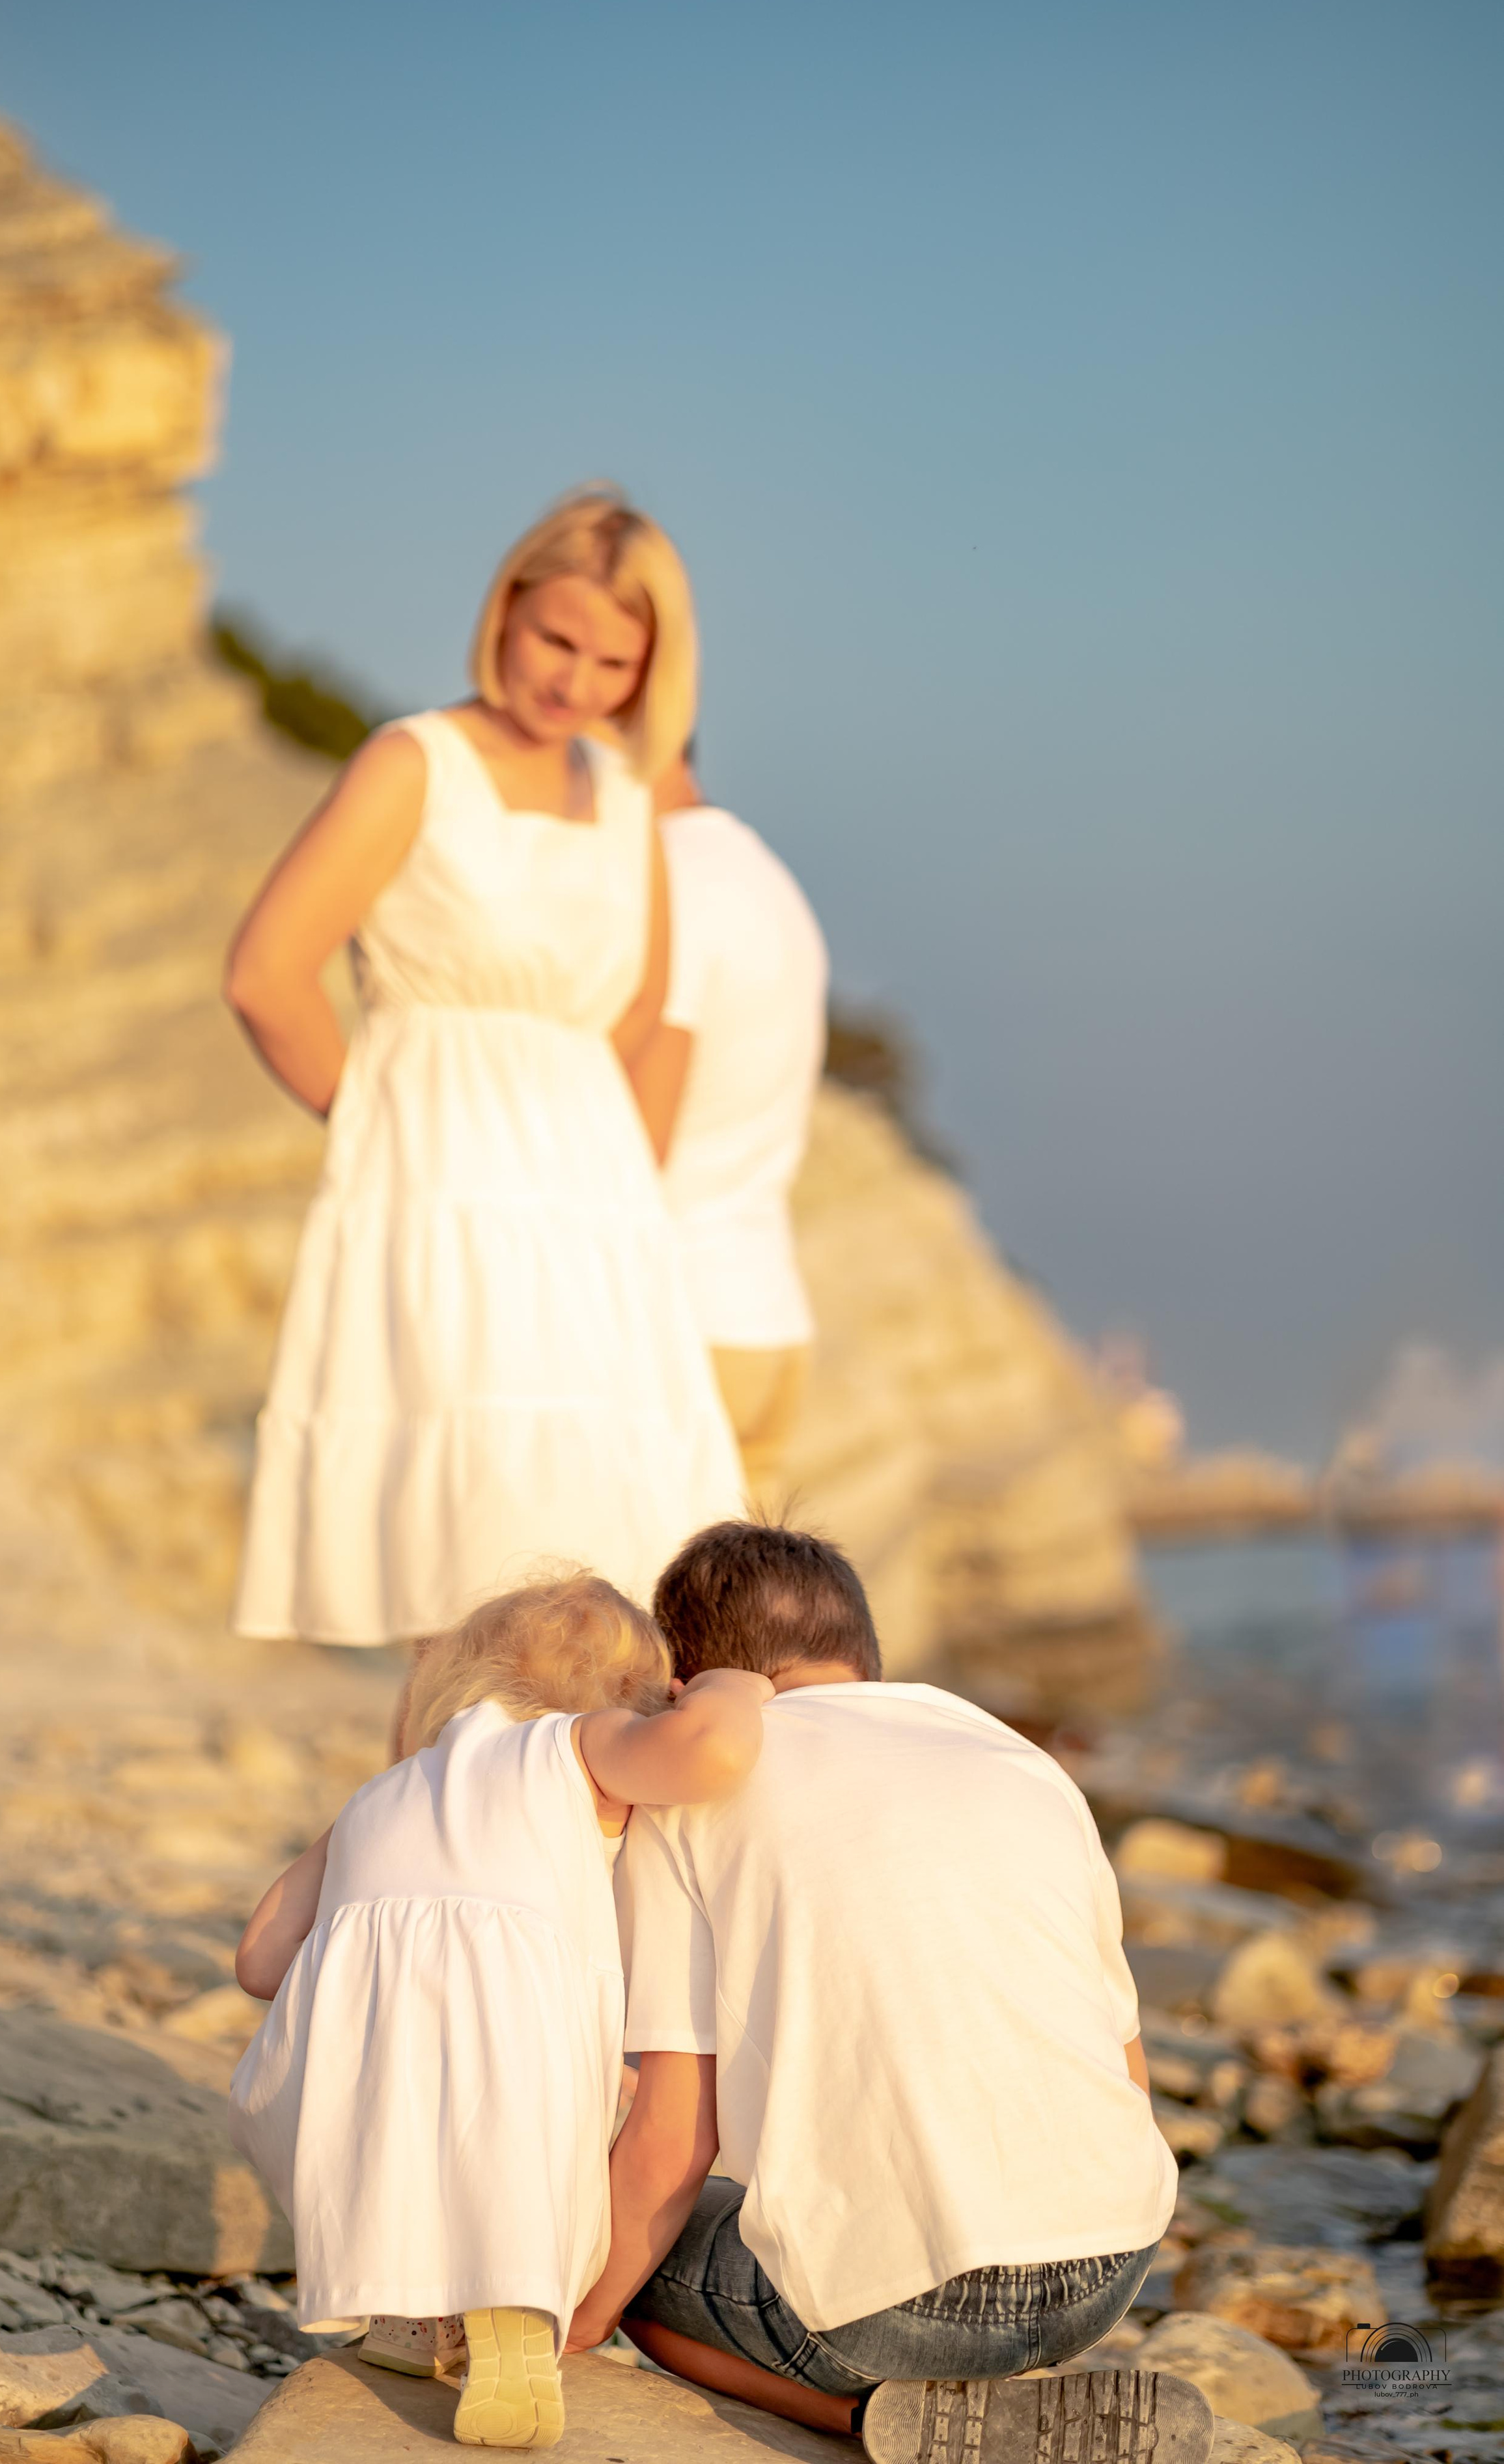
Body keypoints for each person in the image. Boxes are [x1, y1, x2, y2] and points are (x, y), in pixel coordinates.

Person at [224, 493, 744, 1649]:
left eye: (615, 662)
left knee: (617, 1578)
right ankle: (442, 1821)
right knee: (464, 1567)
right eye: (557, 640)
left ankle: (576, 1826)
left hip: (597, 1222)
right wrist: (381, 1133)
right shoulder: (415, 764)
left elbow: (650, 1015)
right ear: (503, 609)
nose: (575, 683)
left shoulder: (626, 796)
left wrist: (624, 1205)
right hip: (437, 1199)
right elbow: (267, 973)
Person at [568, 1522, 1206, 2464]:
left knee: (642, 2277)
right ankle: (998, 2388)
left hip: (902, 2315)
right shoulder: (1020, 1762)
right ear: (866, 1656)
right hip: (1109, 2270)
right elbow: (1124, 2063)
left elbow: (677, 2133)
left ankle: (872, 2424)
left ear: (686, 1677)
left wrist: (574, 2320)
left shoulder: (693, 1789)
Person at [229, 1572, 773, 2450]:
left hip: (348, 2057)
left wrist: (362, 1989)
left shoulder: (385, 1789)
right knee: (533, 2139)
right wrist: (730, 1686)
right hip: (514, 2020)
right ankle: (517, 2323)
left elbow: (258, 1961)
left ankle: (412, 2319)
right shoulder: (583, 1746)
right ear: (630, 1694)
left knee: (415, 2137)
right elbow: (710, 1756)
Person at [626, 756, 827, 1507]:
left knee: (621, 1621)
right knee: (730, 1625)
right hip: (767, 1316)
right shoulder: (761, 874)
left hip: (682, 1327)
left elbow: (641, 1143)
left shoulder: (670, 883)